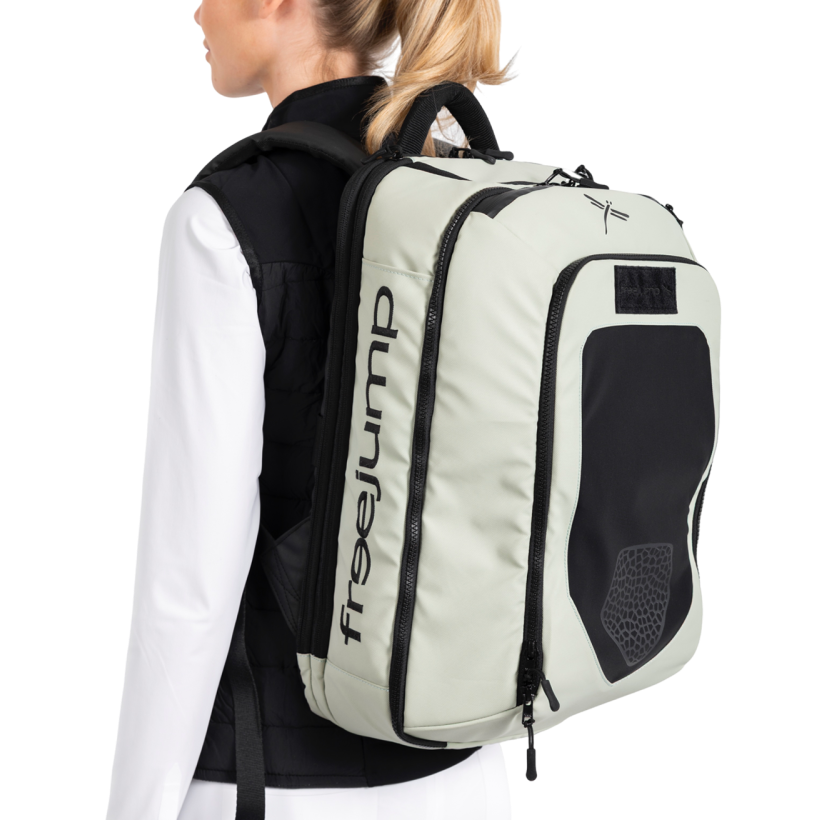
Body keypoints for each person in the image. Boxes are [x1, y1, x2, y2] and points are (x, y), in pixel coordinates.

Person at [106, 1, 519, 818]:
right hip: (466, 773)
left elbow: (188, 587)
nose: (197, 10)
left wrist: (135, 806)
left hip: (271, 783)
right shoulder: (469, 179)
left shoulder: (223, 217)